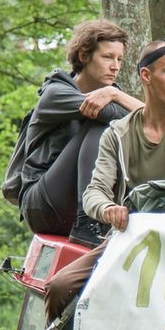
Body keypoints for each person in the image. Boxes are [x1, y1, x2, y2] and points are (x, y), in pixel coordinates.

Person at [42, 38, 165, 320]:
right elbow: (94, 193)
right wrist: (108, 210)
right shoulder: (117, 133)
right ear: (146, 76)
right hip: (134, 236)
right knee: (60, 286)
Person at [17, 20, 142, 241]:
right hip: (42, 204)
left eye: (119, 59)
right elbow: (135, 116)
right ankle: (88, 220)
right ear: (84, 56)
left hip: (81, 201)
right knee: (105, 125)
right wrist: (117, 100)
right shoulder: (56, 93)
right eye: (107, 57)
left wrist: (116, 95)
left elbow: (154, 122)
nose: (116, 66)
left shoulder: (114, 96)